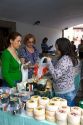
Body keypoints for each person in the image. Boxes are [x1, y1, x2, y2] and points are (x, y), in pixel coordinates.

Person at [46, 38, 78, 106]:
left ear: (62, 48)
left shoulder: (65, 60)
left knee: (65, 113)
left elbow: (55, 75)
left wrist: (49, 62)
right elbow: (59, 70)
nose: (56, 50)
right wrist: (47, 73)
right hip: (65, 90)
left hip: (65, 93)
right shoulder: (64, 57)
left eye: (57, 49)